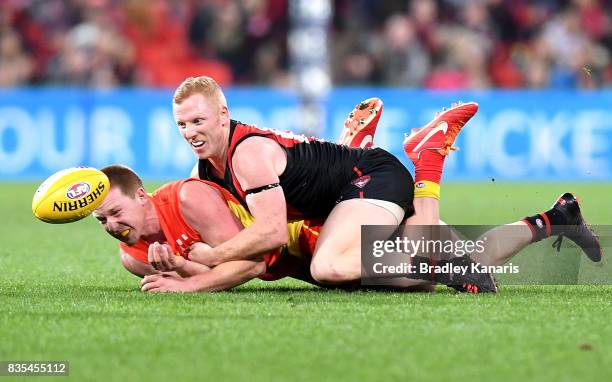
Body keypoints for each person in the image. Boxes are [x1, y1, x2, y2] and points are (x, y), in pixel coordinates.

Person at [171, 76, 479, 285]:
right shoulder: (203, 171)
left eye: (198, 121)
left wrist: (213, 256)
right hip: (340, 194)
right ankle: (354, 146)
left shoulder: (247, 155)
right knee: (420, 284)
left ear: (223, 115)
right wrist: (179, 267)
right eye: (182, 124)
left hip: (373, 177)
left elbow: (273, 233)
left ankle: (428, 159)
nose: (189, 133)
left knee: (328, 266)